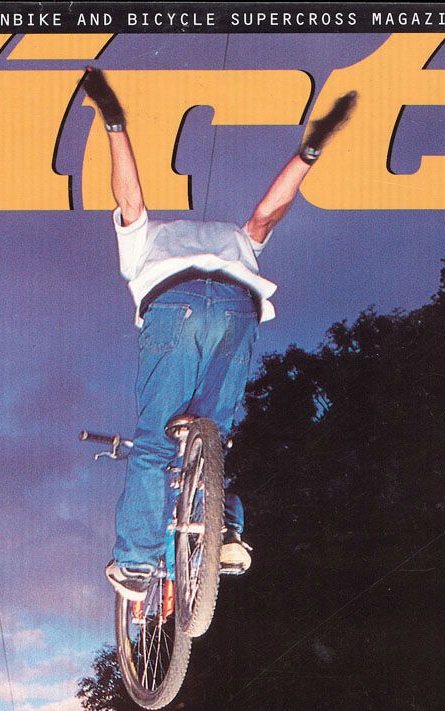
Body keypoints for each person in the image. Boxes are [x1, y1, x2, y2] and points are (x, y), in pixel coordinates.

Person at [83, 68, 356, 600]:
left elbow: (130, 198)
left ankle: (137, 562)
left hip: (176, 304)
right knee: (212, 435)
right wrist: (308, 155)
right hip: (237, 306)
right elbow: (267, 215)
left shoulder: (149, 238)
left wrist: (114, 124)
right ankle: (225, 534)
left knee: (155, 443)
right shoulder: (236, 238)